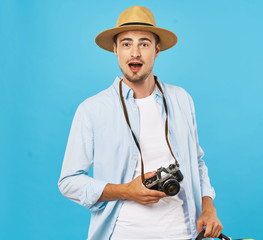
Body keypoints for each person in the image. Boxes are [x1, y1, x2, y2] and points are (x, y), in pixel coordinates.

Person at [58, 6, 222, 240]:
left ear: (157, 50)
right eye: (126, 44)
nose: (135, 52)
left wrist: (208, 207)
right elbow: (69, 182)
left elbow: (196, 163)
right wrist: (126, 191)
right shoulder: (92, 109)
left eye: (144, 44)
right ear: (115, 49)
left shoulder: (181, 98)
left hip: (184, 233)